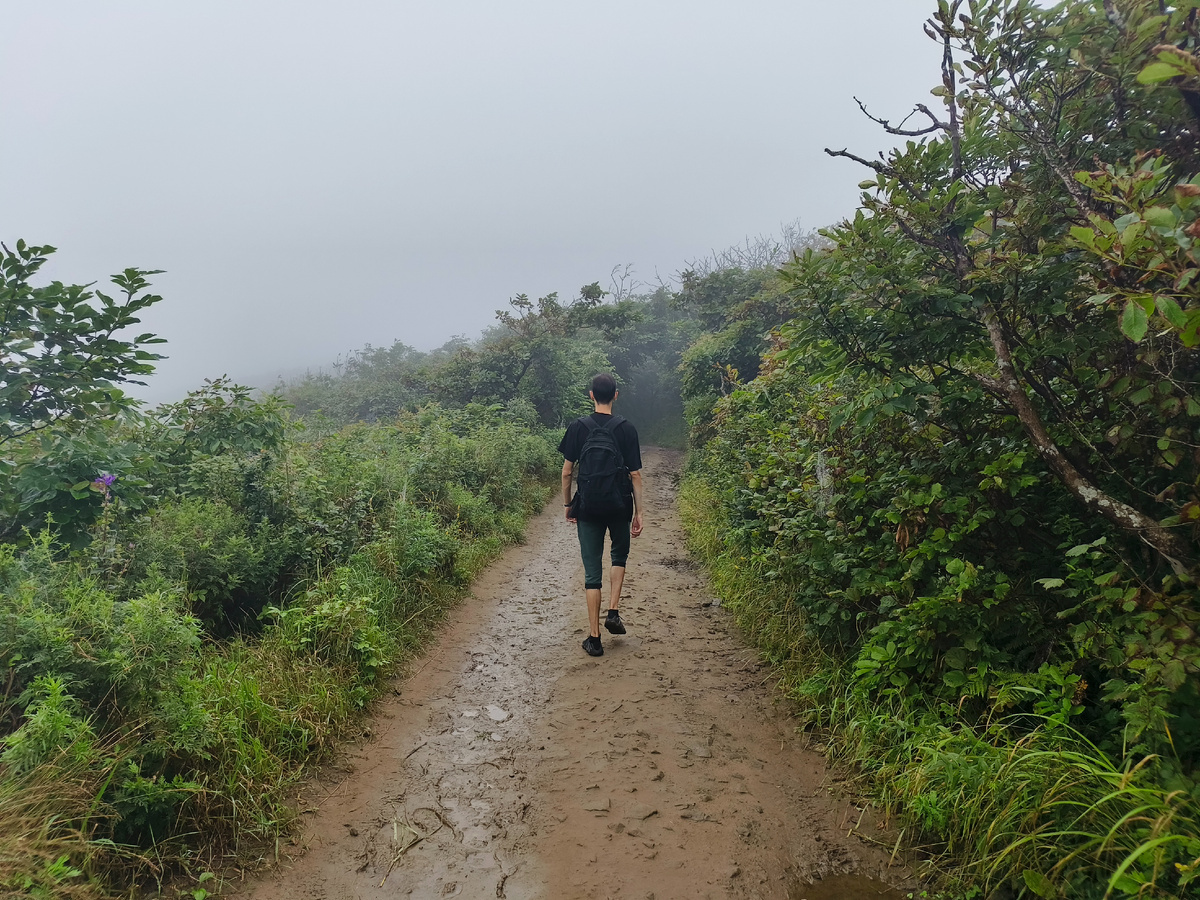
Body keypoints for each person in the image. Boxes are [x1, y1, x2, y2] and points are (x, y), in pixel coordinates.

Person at [559, 373, 644, 657]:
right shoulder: (627, 428)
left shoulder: (577, 427)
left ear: (591, 395)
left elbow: (567, 471)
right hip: (620, 505)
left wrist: (568, 505)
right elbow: (635, 474)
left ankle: (594, 639)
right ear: (616, 395)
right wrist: (639, 512)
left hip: (590, 507)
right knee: (618, 556)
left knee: (592, 570)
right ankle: (614, 611)